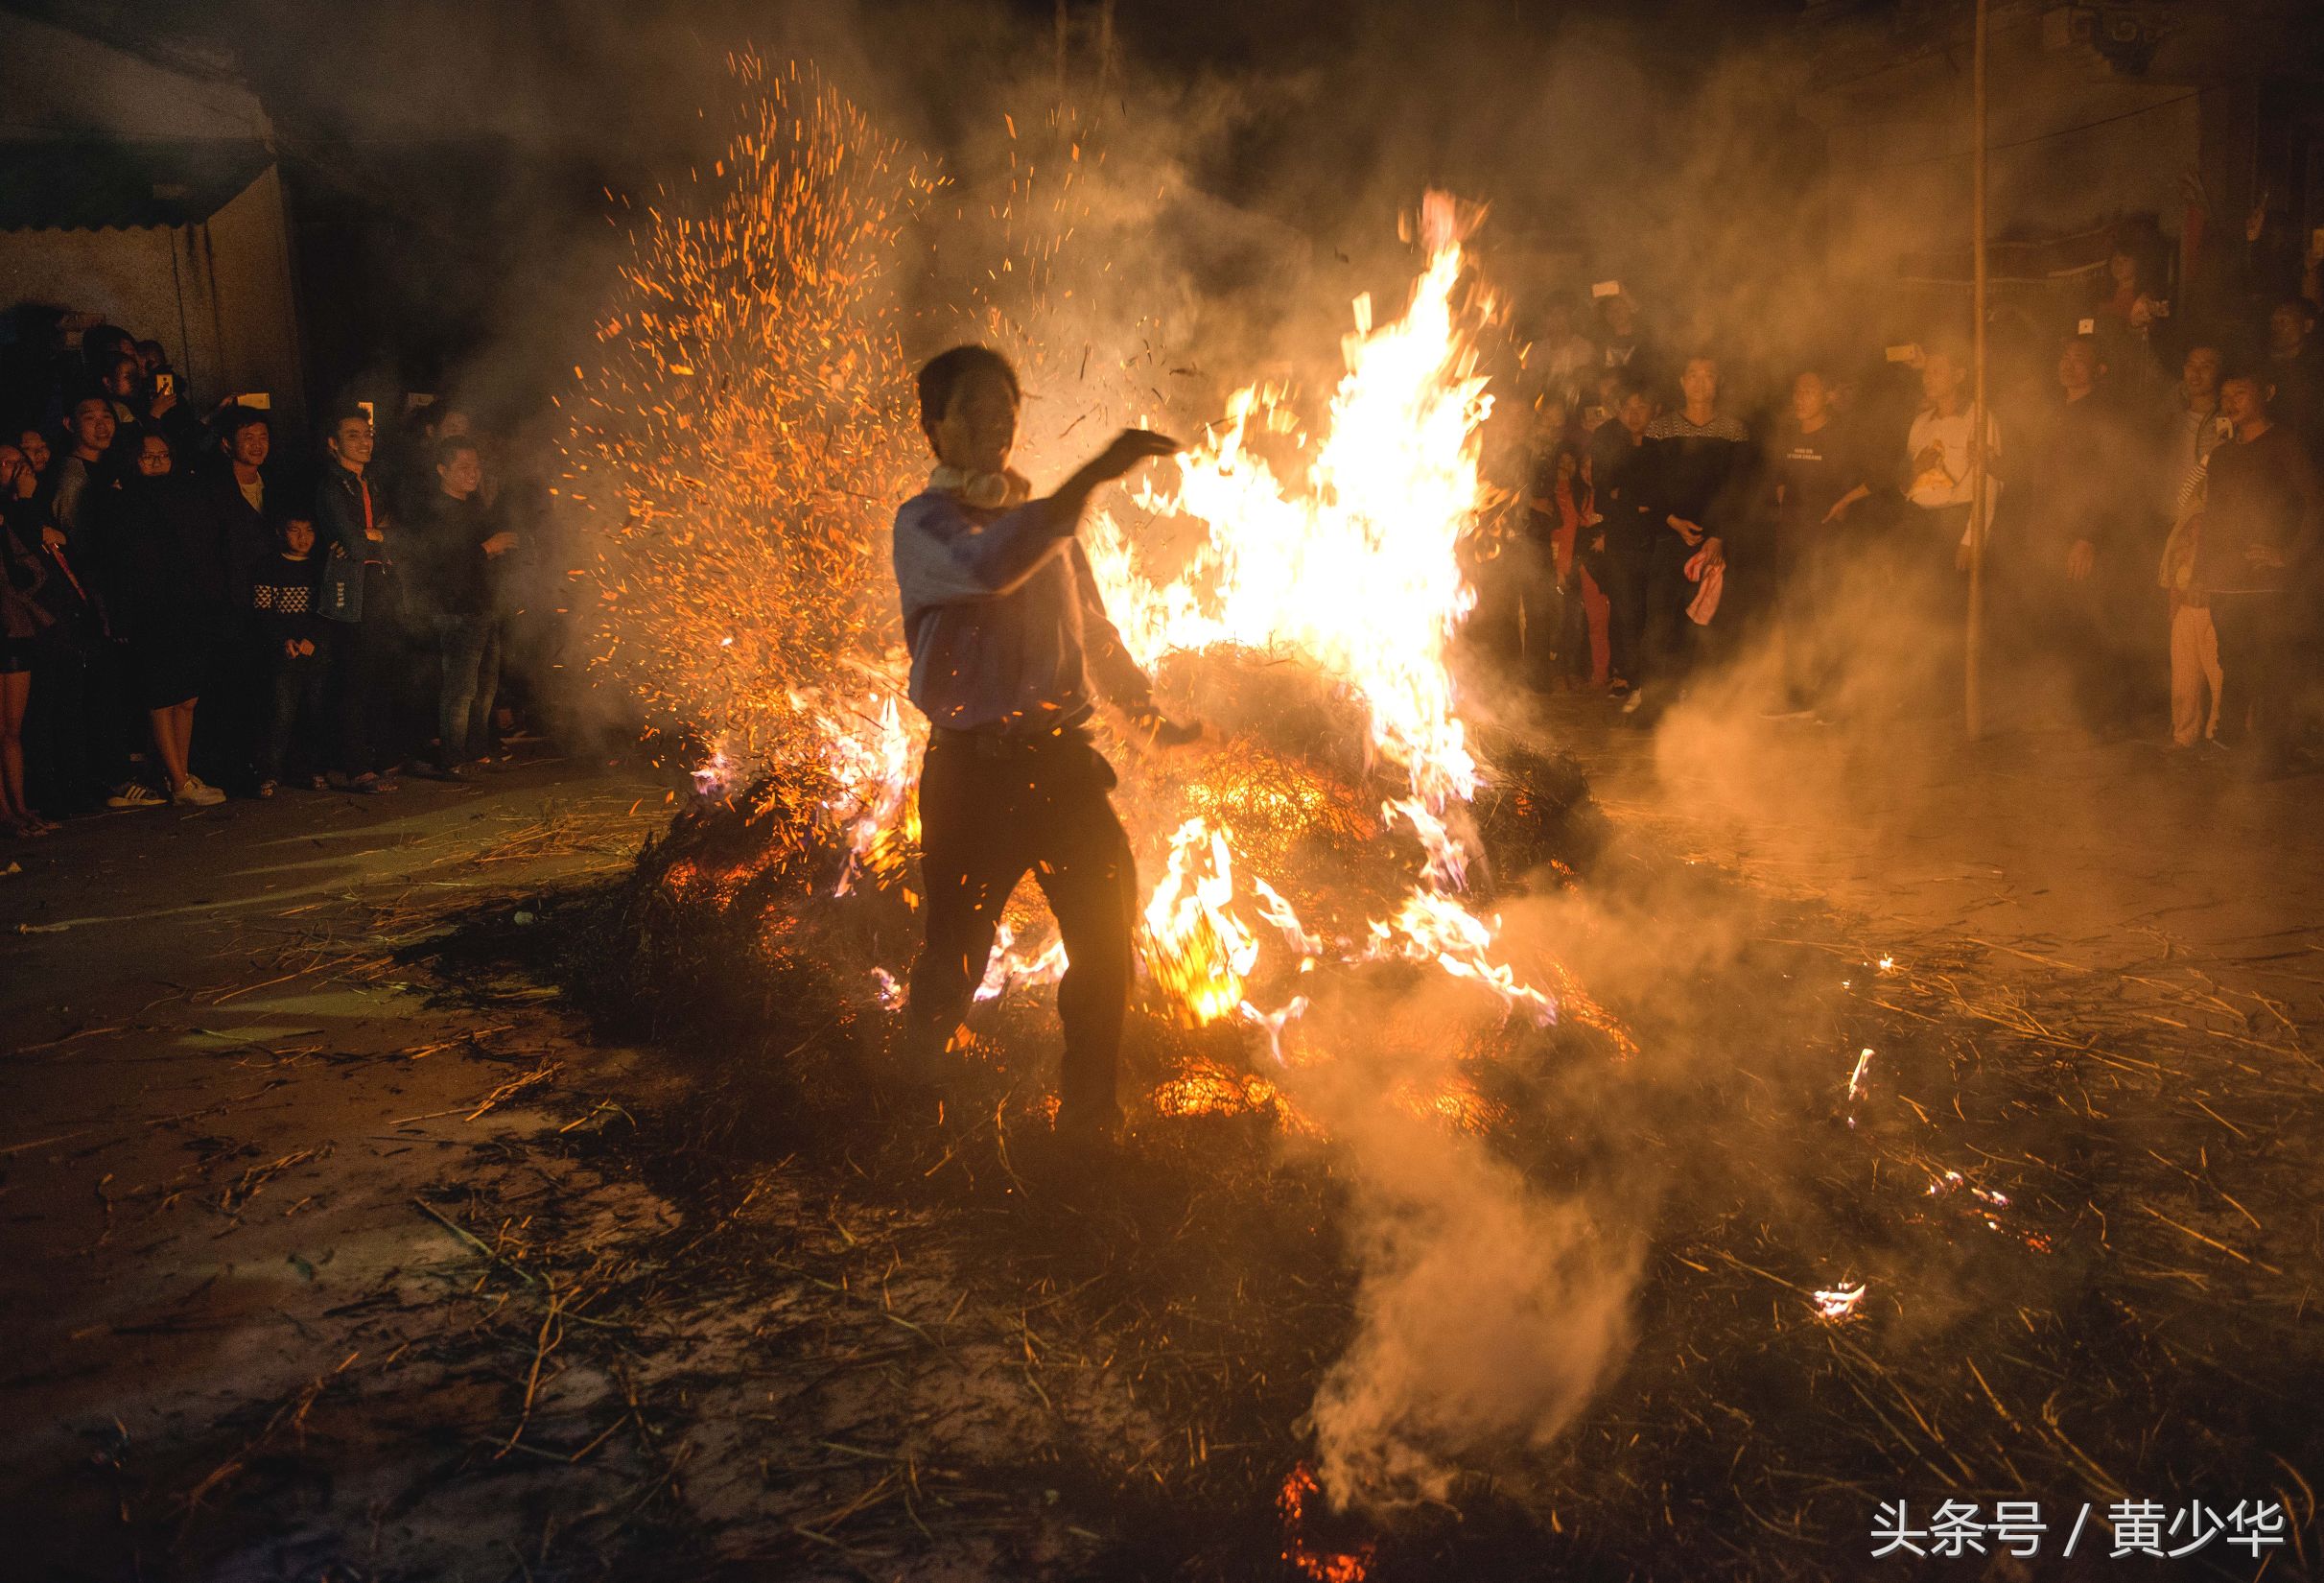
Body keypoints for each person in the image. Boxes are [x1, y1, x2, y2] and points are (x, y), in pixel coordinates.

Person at [893, 344, 1193, 1144]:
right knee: (955, 955)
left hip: (1061, 769)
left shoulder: (1039, 520)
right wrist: (1094, 473)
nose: (996, 420)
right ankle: (907, 1090)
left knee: (1104, 944)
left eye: (1006, 406)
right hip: (972, 778)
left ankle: (1089, 1125)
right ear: (936, 429)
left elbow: (1093, 626)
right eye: (975, 408)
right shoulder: (925, 526)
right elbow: (993, 569)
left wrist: (1147, 714)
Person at [2191, 372, 2320, 773]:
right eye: (2225, 395)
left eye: (2240, 394)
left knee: (2273, 663)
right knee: (2234, 660)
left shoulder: (2285, 444)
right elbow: (2212, 517)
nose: (2230, 402)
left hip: (2269, 583)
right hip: (2228, 580)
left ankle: (2274, 752)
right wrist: (2200, 573)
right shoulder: (2224, 455)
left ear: (2266, 394)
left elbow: (2316, 505)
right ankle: (2230, 741)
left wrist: (2289, 555)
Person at [101, 435, 228, 805]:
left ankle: (182, 772)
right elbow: (119, 565)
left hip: (191, 606)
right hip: (152, 611)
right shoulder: (123, 502)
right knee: (163, 695)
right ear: (133, 460)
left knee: (188, 697)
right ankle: (177, 781)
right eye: (147, 457)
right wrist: (122, 616)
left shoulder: (185, 494)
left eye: (163, 455)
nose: (157, 462)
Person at [2032, 336, 2145, 736]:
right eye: (2064, 357)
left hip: (2090, 536)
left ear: (2099, 370)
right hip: (2052, 533)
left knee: (2095, 622)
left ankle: (2106, 714)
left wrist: (2089, 537)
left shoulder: (2105, 417)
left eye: (2079, 359)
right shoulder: (2053, 413)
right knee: (2063, 623)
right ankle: (2076, 708)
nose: (2068, 365)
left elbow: (2112, 482)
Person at [1637, 354, 1751, 711]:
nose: (1701, 383)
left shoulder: (1733, 431)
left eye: (1709, 375)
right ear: (1682, 381)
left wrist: (1717, 536)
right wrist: (1671, 521)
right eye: (1693, 375)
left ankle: (1707, 700)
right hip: (1670, 535)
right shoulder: (1661, 429)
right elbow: (1648, 484)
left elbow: (1738, 488)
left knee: (1709, 620)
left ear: (1718, 383)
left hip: (1716, 541)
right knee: (1661, 617)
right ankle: (1658, 700)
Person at [1768, 368, 1873, 716]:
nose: (1800, 398)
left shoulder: (1841, 436)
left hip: (1827, 541)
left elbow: (1877, 477)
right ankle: (1798, 695)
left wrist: (1845, 502)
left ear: (1827, 395)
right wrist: (1786, 506)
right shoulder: (1788, 436)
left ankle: (1834, 698)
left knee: (1828, 616)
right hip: (1791, 540)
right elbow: (1780, 480)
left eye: (1809, 391)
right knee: (1794, 615)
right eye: (1797, 391)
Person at [415, 437, 517, 778]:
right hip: (457, 611)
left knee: (485, 687)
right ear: (442, 469)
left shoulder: (473, 507)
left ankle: (477, 749)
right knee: (461, 689)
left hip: (484, 607)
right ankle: (452, 758)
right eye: (463, 468)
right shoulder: (434, 511)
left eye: (476, 467)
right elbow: (442, 564)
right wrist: (488, 547)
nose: (473, 474)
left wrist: (500, 550)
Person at [317, 407, 402, 793]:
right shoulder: (331, 486)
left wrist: (377, 536)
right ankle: (354, 766)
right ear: (333, 444)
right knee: (353, 674)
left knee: (379, 671)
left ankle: (378, 754)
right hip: (350, 588)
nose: (364, 441)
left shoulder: (373, 483)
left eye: (367, 434)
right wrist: (374, 535)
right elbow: (350, 541)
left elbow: (400, 535)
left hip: (378, 582)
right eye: (353, 435)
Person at [1586, 381, 1657, 699]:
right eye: (1628, 407)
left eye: (1641, 406)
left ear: (1653, 410)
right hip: (1620, 538)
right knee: (1624, 608)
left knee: (1652, 608)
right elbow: (1603, 497)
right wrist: (1634, 500)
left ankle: (1651, 676)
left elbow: (1660, 495)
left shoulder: (1661, 441)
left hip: (1656, 537)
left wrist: (1625, 495)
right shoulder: (1606, 439)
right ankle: (1624, 675)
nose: (1634, 413)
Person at [248, 512, 328, 796]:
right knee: (281, 713)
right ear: (282, 532)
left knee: (315, 711)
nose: (302, 538)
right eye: (295, 531)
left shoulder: (322, 568)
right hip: (284, 653)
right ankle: (269, 774)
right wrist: (283, 640)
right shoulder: (268, 566)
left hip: (315, 651)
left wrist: (312, 639)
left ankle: (314, 770)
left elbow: (329, 609)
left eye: (308, 530)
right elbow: (263, 610)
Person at [0, 446, 57, 835]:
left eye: (18, 461)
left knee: (13, 728)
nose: (14, 467)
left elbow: (31, 567)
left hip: (13, 624)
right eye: (5, 461)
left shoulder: (17, 511)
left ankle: (19, 807)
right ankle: (5, 813)